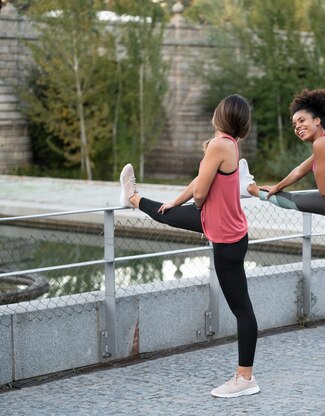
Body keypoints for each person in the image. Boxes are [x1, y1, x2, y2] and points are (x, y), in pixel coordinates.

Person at [118, 94, 260, 397]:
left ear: (220, 115)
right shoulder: (228, 144)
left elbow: (200, 193)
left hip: (226, 238)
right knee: (167, 214)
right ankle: (132, 197)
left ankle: (245, 378)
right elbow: (198, 183)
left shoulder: (219, 146)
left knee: (242, 310)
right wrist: (176, 201)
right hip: (227, 228)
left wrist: (190, 202)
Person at [239, 88, 325, 367]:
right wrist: (277, 186)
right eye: (294, 124)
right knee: (292, 199)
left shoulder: (322, 145)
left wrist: (317, 170)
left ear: (317, 121)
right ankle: (251, 187)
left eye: (302, 120)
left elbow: (324, 190)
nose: (297, 126)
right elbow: (301, 170)